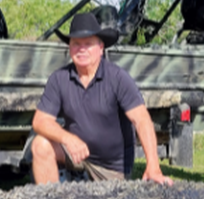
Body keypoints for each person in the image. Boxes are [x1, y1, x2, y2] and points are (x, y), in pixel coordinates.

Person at [30, 12, 174, 185]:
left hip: (111, 168)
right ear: (69, 47)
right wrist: (68, 138)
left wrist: (153, 165)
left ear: (100, 47)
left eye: (88, 44)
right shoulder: (59, 78)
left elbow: (142, 120)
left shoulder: (118, 78)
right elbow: (40, 121)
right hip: (76, 155)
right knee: (40, 145)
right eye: (76, 43)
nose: (81, 49)